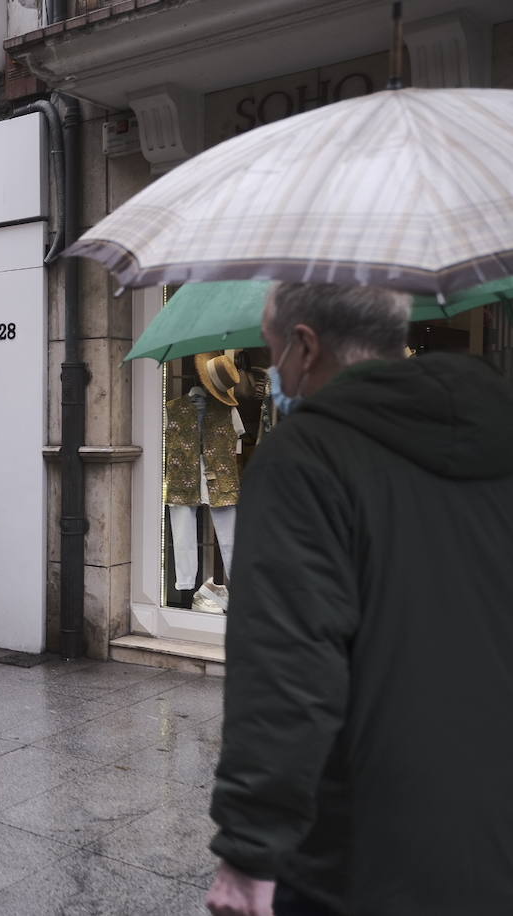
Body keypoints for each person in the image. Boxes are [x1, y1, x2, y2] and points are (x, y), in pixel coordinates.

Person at [206, 282, 513, 916]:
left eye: (271, 349)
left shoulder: (303, 459)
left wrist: (250, 852)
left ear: (305, 345)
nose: (273, 371)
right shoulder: (498, 434)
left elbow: (288, 669)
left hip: (361, 851)